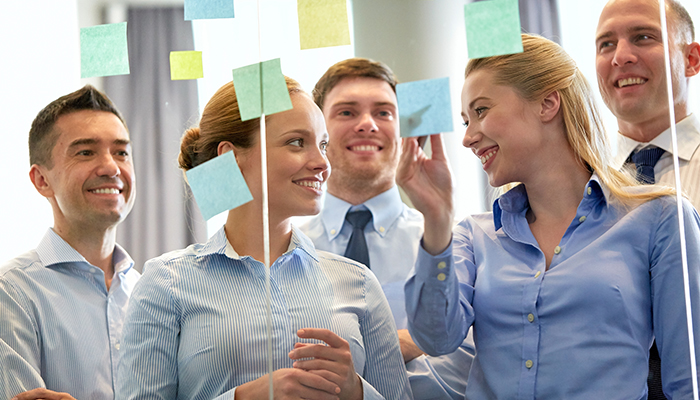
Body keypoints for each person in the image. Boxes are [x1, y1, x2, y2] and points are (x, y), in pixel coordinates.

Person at [398, 34, 700, 399]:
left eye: (480, 111)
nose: (468, 138)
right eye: (465, 121)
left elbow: (689, 382)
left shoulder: (661, 218)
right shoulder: (471, 235)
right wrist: (436, 218)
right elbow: (436, 337)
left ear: (547, 103)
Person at [116, 77, 411, 400]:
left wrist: (357, 392)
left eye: (322, 144)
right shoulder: (166, 283)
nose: (322, 163)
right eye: (297, 142)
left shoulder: (359, 283)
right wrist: (240, 398)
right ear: (232, 156)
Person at [301, 57, 474, 399]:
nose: (367, 124)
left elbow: (465, 369)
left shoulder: (453, 242)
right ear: (317, 134)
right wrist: (407, 344)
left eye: (383, 113)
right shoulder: (287, 249)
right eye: (347, 112)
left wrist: (362, 377)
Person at [0, 85, 139, 400]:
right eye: (86, 152)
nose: (111, 168)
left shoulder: (149, 291)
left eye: (121, 152)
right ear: (42, 180)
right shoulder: (10, 292)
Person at [595, 1, 700, 397]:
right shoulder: (576, 183)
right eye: (606, 44)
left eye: (643, 37)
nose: (620, 56)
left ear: (691, 59)